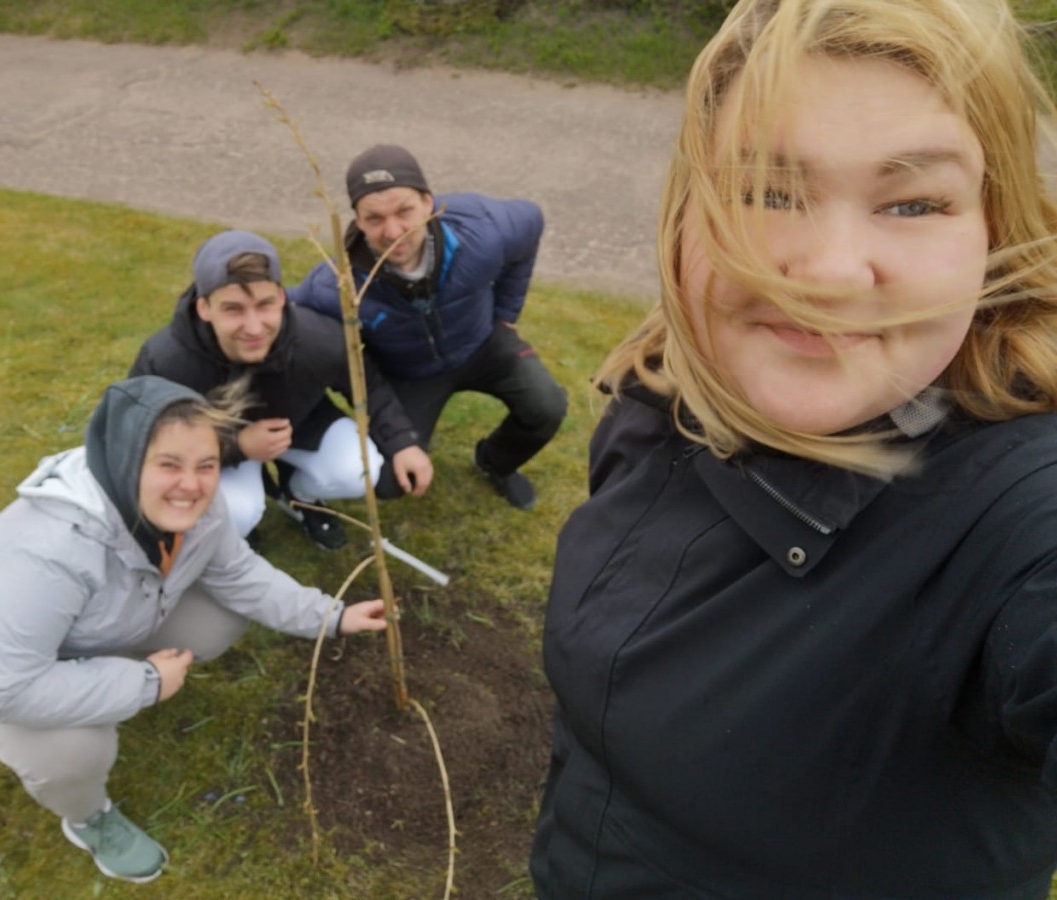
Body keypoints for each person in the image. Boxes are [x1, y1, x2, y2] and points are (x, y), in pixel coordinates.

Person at [531, 0, 1057, 897]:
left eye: (915, 202)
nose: (824, 273)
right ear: (688, 212)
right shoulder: (659, 391)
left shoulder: (1018, 524)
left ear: (994, 233)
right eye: (765, 192)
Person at [0, 376, 386, 884]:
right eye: (168, 465)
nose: (192, 484)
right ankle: (90, 818)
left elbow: (239, 574)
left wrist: (331, 616)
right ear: (124, 459)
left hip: (79, 629)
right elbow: (5, 688)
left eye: (206, 465)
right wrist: (145, 684)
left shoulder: (196, 504)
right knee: (77, 752)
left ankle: (92, 685)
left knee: (218, 617)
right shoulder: (49, 551)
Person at [289, 145, 568, 511]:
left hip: (482, 341)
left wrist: (506, 312)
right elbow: (279, 313)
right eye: (374, 218)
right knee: (389, 479)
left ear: (427, 203)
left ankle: (494, 461)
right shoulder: (335, 286)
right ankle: (300, 491)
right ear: (356, 219)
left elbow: (531, 223)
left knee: (547, 406)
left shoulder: (482, 231)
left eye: (404, 211)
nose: (392, 232)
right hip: (410, 372)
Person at [131, 229, 432, 550]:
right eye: (233, 309)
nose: (254, 327)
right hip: (212, 448)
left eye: (265, 305)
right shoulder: (167, 362)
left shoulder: (319, 339)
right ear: (204, 308)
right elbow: (142, 440)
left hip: (298, 424)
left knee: (360, 470)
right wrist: (238, 447)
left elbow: (368, 384)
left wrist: (402, 443)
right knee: (238, 512)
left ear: (282, 297)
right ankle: (228, 541)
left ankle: (300, 496)